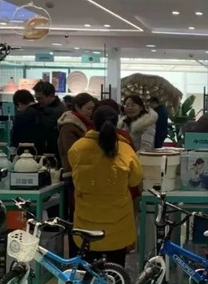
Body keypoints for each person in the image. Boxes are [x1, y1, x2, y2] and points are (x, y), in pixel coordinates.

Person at [69, 106, 143, 266]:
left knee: (88, 266)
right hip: (118, 220)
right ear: (116, 124)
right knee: (116, 269)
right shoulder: (125, 149)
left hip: (87, 220)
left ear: (92, 122)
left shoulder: (77, 148)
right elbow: (135, 180)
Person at [57, 92, 96, 180]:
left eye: (92, 109)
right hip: (73, 172)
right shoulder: (69, 126)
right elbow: (69, 151)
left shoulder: (87, 123)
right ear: (77, 107)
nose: (90, 112)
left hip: (84, 170)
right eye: (88, 108)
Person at [32, 81, 65, 159]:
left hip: (54, 153)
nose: (38, 101)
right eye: (36, 98)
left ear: (51, 95)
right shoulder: (40, 108)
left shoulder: (59, 112)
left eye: (40, 98)